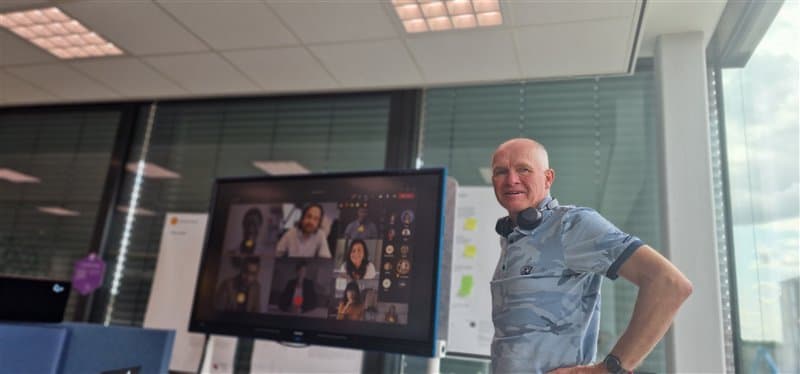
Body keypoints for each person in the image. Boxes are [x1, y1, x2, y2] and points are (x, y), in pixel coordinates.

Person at [489, 138, 692, 374]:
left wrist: (609, 369)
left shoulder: (571, 226)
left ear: (548, 178)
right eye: (501, 172)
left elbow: (670, 284)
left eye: (523, 169)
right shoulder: (511, 239)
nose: (511, 180)